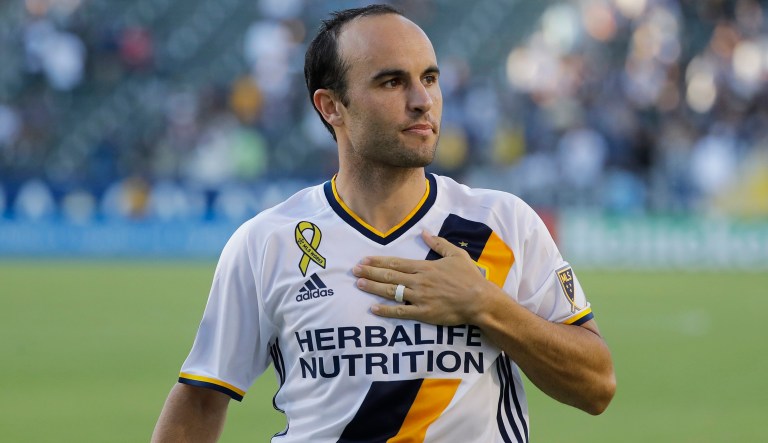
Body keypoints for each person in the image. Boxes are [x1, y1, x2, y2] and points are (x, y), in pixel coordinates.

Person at [152, 4, 616, 442]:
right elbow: (199, 399)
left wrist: (486, 306)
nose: (422, 101)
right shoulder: (267, 242)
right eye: (392, 82)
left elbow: (596, 385)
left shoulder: (501, 222)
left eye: (430, 78)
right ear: (331, 106)